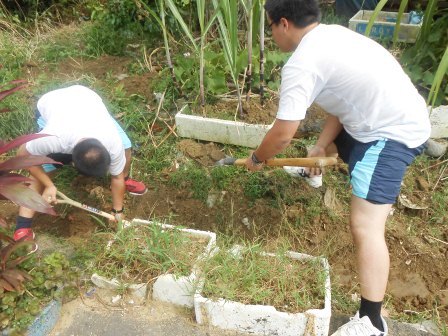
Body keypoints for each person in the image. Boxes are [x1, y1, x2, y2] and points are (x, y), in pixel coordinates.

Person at [245, 1, 430, 335]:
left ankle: (373, 321)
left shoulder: (301, 64)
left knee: (365, 225)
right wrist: (319, 149)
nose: (272, 33)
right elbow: (344, 104)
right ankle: (312, 170)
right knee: (327, 145)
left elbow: (283, 133)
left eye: (271, 26)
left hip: (392, 134)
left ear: (283, 23)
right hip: (383, 116)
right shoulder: (333, 36)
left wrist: (257, 158)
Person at [14, 84, 147, 243]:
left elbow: (115, 177)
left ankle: (127, 180)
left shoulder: (113, 142)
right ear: (72, 161)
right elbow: (22, 155)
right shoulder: (53, 139)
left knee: (126, 147)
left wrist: (118, 211)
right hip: (53, 103)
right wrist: (48, 184)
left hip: (87, 99)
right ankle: (22, 227)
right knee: (43, 173)